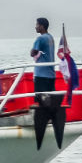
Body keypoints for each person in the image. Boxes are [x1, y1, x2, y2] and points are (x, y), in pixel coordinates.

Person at [31, 17, 66, 149]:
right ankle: (53, 118)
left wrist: (34, 52)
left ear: (42, 26)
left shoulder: (40, 39)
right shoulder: (50, 37)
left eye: (37, 25)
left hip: (41, 73)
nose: (35, 27)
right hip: (51, 74)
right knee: (51, 97)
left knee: (40, 98)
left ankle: (43, 121)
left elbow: (32, 52)